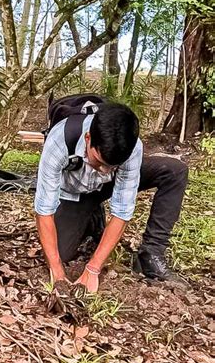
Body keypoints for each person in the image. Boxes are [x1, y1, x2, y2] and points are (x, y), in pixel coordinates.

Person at [35, 98, 188, 293]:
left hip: (108, 187)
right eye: (99, 162)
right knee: (61, 253)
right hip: (74, 193)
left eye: (112, 166)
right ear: (88, 138)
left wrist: (93, 268)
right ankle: (91, 215)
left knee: (174, 171)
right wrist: (57, 271)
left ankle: (151, 253)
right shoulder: (59, 141)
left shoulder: (131, 149)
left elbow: (122, 210)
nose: (104, 171)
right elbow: (44, 210)